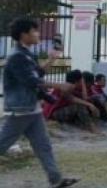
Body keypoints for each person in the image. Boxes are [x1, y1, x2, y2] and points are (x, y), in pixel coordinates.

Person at [0, 18, 80, 188]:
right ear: (24, 35)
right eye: (34, 31)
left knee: (43, 146)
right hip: (20, 109)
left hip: (31, 109)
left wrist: (52, 59)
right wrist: (60, 85)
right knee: (2, 143)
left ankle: (56, 180)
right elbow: (31, 80)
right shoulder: (16, 57)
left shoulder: (28, 54)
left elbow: (38, 73)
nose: (38, 34)